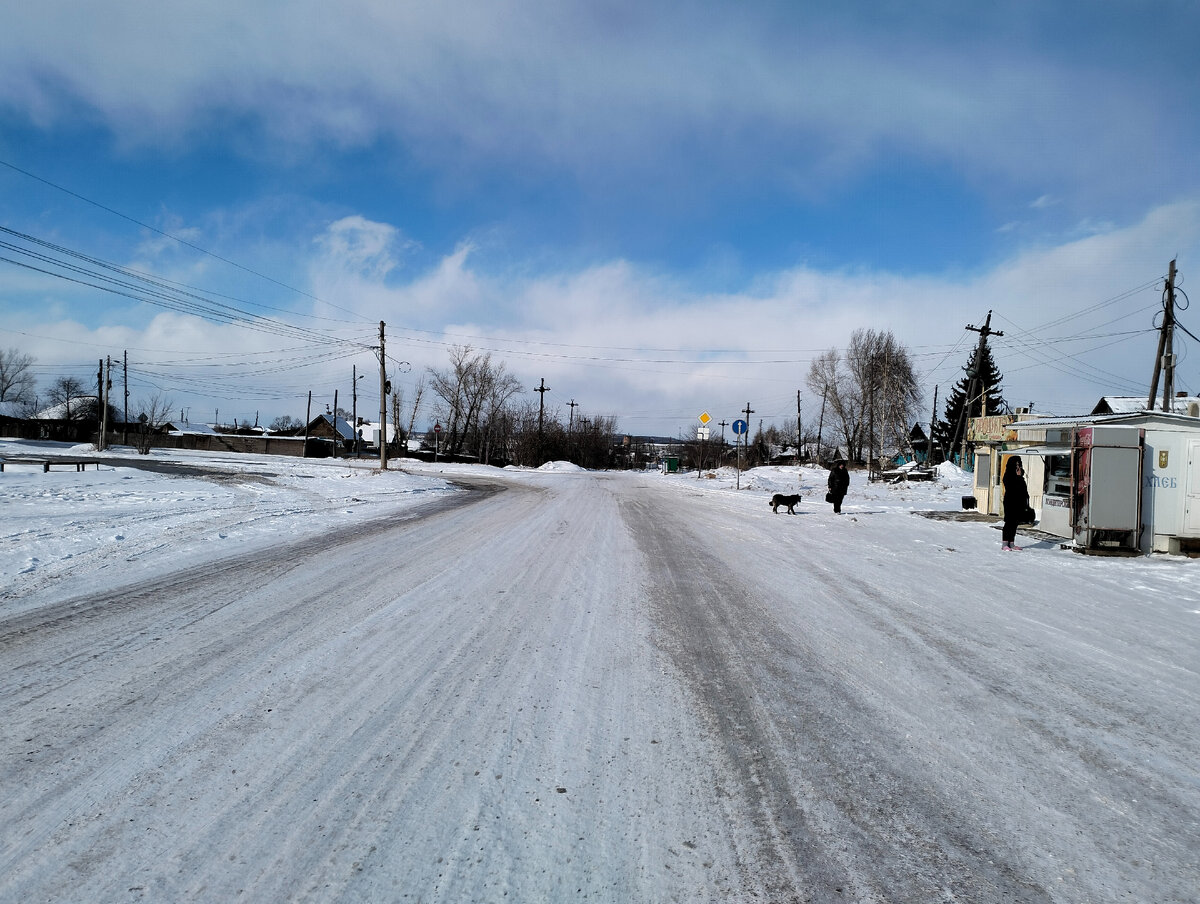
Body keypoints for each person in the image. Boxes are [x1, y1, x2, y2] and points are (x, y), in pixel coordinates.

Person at [1001, 456, 1029, 551]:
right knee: (1009, 522)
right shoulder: (1008, 475)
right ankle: (1005, 543)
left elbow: (1023, 489)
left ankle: (1011, 543)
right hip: (1010, 501)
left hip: (1019, 502)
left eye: (1018, 464)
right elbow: (1011, 487)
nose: (1017, 466)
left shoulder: (1021, 477)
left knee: (1015, 523)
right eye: (1015, 464)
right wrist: (1017, 477)